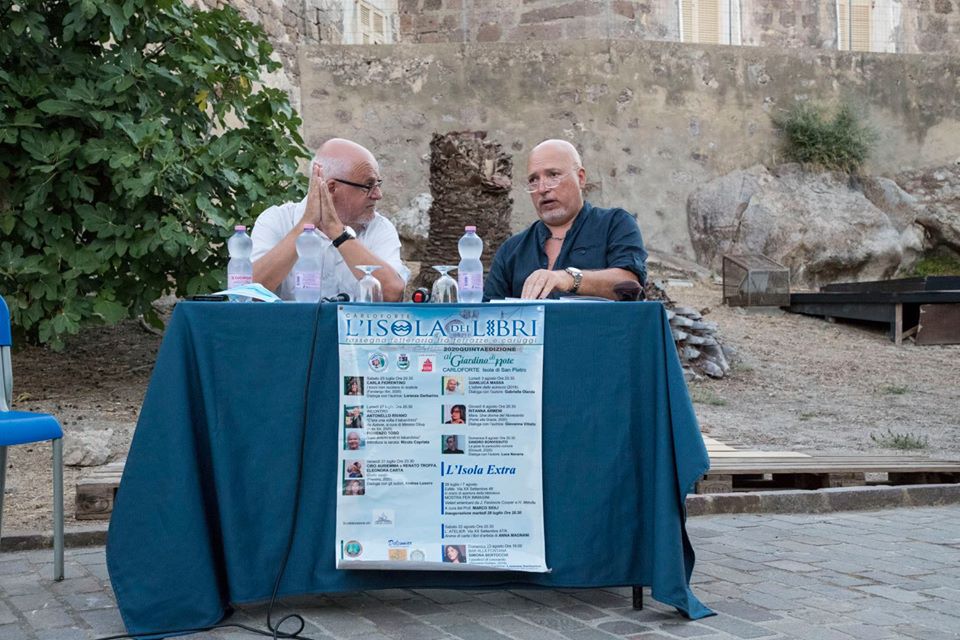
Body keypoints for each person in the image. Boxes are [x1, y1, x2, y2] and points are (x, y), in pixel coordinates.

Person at [484, 139, 648, 300]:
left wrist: (567, 279)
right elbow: (488, 314)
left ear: (581, 178)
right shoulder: (512, 250)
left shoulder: (615, 224)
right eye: (534, 180)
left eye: (553, 175)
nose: (542, 188)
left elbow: (629, 285)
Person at [251, 138, 409, 301]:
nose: (378, 195)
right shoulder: (277, 220)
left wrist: (338, 233)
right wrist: (306, 225)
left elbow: (392, 294)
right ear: (331, 187)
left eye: (378, 184)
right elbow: (247, 294)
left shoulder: (378, 228)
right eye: (368, 186)